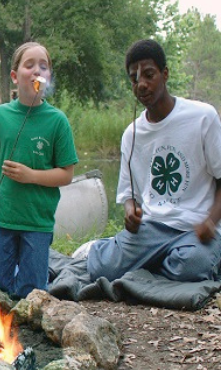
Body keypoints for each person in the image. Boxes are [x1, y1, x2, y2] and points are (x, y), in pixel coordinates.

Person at [80, 39, 221, 283]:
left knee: (192, 265)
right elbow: (128, 195)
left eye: (149, 75)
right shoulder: (132, 135)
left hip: (194, 230)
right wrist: (130, 213)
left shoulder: (202, 117)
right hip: (152, 229)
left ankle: (147, 263)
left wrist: (210, 220)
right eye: (134, 79)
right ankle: (112, 251)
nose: (141, 84)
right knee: (102, 269)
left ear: (165, 74)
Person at [0, 41, 78, 299]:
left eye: (43, 67)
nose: (37, 71)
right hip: (4, 219)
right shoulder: (0, 116)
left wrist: (31, 176)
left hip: (37, 223)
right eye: (30, 65)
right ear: (15, 76)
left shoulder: (57, 121)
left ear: (48, 77)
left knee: (33, 292)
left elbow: (66, 174)